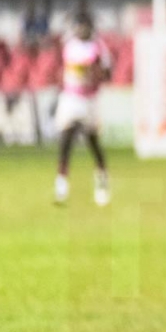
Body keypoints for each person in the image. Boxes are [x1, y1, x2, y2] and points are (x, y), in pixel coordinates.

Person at [53, 12, 112, 207]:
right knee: (66, 138)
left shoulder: (98, 47)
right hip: (71, 97)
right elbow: (62, 67)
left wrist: (96, 71)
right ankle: (61, 182)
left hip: (89, 99)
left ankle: (102, 180)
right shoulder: (69, 45)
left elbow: (107, 72)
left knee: (92, 140)